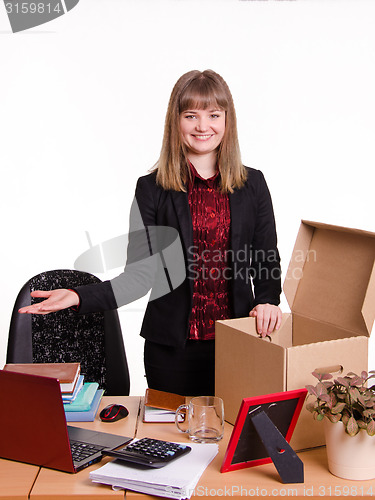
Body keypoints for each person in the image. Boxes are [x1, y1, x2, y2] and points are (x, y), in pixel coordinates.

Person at [19, 69, 282, 396]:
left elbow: (265, 257)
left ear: (227, 121)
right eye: (191, 115)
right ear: (177, 121)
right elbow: (139, 277)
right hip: (171, 353)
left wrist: (269, 300)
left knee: (236, 441)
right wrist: (78, 296)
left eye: (214, 115)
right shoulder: (152, 189)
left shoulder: (252, 184)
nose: (203, 126)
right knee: (169, 443)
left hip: (240, 345)